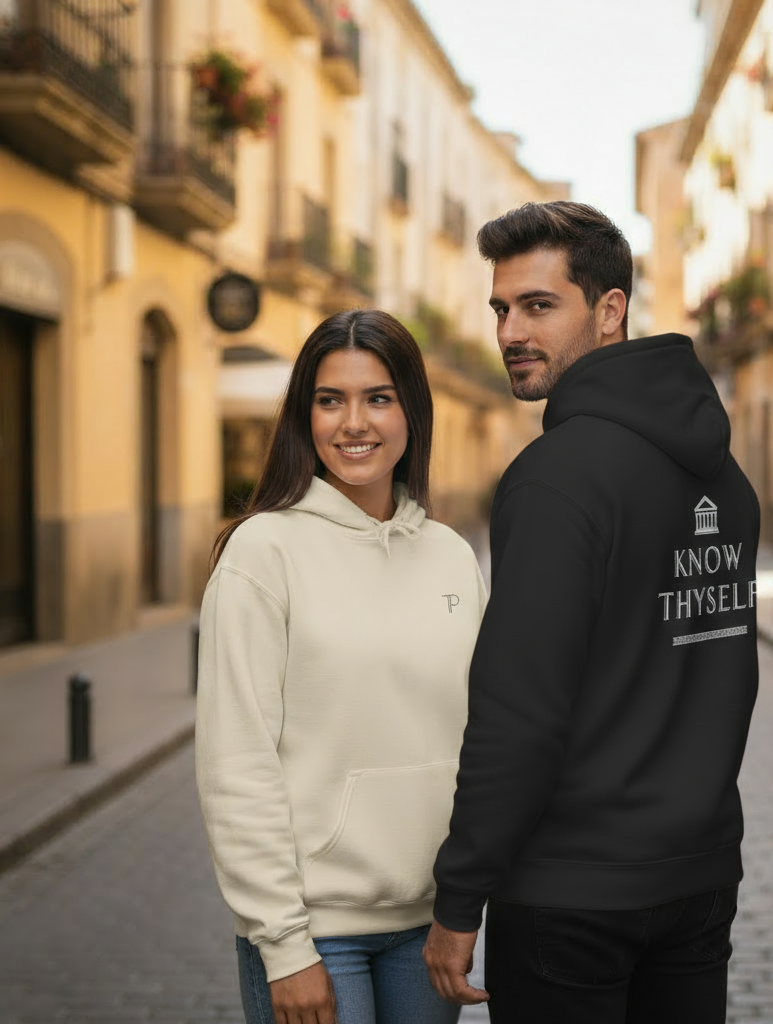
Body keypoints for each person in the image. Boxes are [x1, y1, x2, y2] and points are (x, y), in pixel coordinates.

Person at [423, 202, 760, 1023]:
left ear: (610, 311)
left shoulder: (555, 479)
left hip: (572, 897)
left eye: (540, 306)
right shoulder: (725, 480)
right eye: (500, 307)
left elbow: (521, 712)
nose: (509, 331)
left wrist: (460, 896)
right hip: (700, 881)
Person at [196, 310, 486, 1024]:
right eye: (331, 400)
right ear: (306, 416)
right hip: (314, 932)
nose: (353, 422)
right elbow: (237, 761)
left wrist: (464, 900)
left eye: (378, 398)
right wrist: (284, 942)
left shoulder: (451, 553)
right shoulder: (263, 552)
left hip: (431, 926)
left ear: (411, 411)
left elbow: (480, 737)